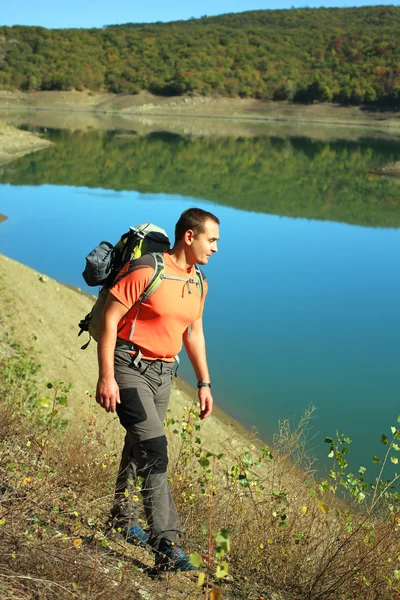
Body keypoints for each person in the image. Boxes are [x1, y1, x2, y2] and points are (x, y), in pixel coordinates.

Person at [95, 207, 219, 571]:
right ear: (190, 236)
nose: (216, 248)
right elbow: (110, 318)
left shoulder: (198, 282)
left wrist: (204, 383)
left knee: (138, 447)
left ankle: (121, 518)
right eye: (212, 240)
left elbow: (194, 333)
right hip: (128, 367)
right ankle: (166, 541)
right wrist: (106, 376)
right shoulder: (148, 269)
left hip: (164, 374)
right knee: (154, 448)